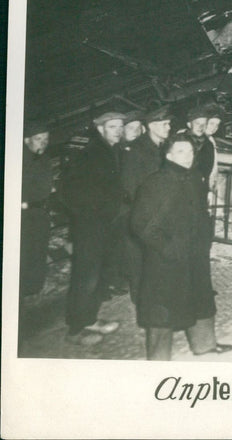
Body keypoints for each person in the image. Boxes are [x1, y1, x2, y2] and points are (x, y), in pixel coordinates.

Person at [131, 134, 232, 359]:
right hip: (166, 258)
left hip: (195, 253)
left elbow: (200, 214)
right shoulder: (155, 183)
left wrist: (204, 238)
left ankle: (204, 345)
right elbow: (141, 224)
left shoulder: (194, 178)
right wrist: (168, 248)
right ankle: (159, 359)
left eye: (189, 152)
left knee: (201, 297)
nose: (187, 157)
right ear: (168, 155)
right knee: (162, 309)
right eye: (180, 152)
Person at [61, 111, 125, 346]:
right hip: (90, 227)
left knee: (98, 277)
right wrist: (89, 215)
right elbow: (67, 190)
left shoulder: (112, 151)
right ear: (100, 129)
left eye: (120, 126)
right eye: (112, 127)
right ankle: (75, 330)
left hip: (105, 225)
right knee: (86, 278)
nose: (118, 130)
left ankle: (90, 319)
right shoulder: (90, 153)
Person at [120, 105, 172, 302]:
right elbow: (130, 186)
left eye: (169, 124)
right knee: (139, 261)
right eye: (165, 124)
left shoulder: (164, 147)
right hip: (142, 214)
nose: (168, 127)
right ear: (152, 126)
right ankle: (142, 302)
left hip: (161, 213)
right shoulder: (136, 150)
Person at [20, 120, 54, 299]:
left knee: (38, 252)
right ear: (27, 141)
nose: (43, 142)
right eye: (38, 138)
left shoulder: (43, 158)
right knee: (25, 253)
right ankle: (21, 294)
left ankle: (33, 290)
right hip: (26, 216)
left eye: (46, 138)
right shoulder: (20, 161)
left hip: (41, 213)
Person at [184, 105, 215, 188]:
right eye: (197, 123)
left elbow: (208, 170)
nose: (201, 127)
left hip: (198, 187)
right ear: (189, 124)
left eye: (204, 124)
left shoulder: (208, 145)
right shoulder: (179, 141)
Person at [203, 104, 223, 205]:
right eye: (212, 123)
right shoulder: (187, 135)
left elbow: (213, 166)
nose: (214, 128)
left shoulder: (210, 140)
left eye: (217, 125)